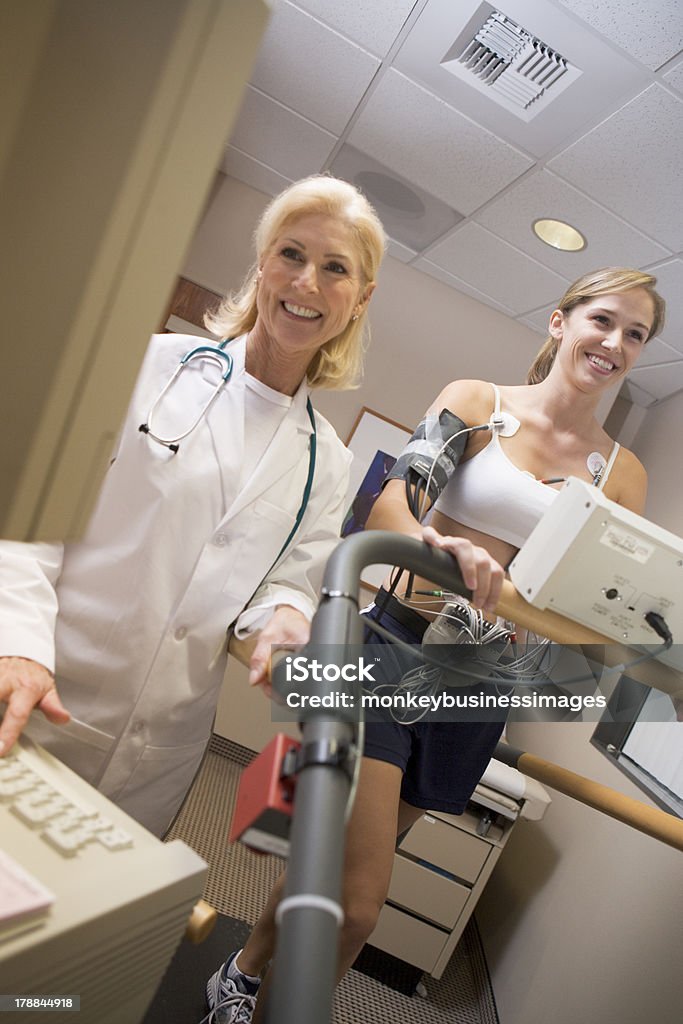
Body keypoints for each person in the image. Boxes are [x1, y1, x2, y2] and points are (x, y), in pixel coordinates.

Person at [204, 267, 666, 1023]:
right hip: (390, 645)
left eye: (635, 334)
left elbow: (596, 616)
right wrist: (441, 553)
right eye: (602, 321)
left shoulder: (622, 475)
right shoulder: (477, 404)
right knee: (356, 906)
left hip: (478, 684)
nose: (613, 343)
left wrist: (551, 614)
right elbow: (390, 509)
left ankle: (247, 968)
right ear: (558, 323)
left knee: (341, 863)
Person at [0, 174, 386, 837]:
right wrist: (17, 643)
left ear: (359, 299)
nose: (306, 283)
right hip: (38, 686)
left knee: (86, 923)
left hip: (160, 748)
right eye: (291, 254)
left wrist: (287, 621)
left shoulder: (329, 460)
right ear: (261, 263)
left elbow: (285, 581)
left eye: (334, 269)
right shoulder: (145, 366)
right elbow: (29, 514)